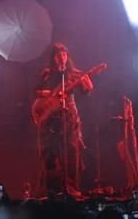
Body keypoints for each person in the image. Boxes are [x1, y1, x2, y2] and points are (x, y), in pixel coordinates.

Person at [34, 43, 94, 196]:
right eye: (58, 55)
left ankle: (72, 189)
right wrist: (49, 94)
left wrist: (87, 87)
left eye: (64, 54)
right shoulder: (47, 74)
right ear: (53, 58)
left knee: (71, 152)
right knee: (51, 154)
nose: (62, 57)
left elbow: (86, 91)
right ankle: (51, 191)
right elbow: (36, 92)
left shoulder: (75, 74)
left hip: (69, 117)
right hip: (51, 120)